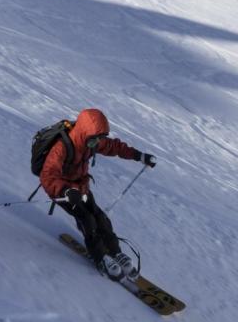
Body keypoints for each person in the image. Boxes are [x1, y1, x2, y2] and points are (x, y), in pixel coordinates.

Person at [40, 108, 156, 281]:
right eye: (95, 141)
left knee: (100, 218)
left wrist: (139, 156)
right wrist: (66, 191)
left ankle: (116, 253)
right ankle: (100, 257)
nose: (97, 144)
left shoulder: (90, 140)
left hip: (82, 188)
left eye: (99, 140)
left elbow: (113, 146)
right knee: (87, 219)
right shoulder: (61, 148)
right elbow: (47, 175)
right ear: (85, 133)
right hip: (64, 192)